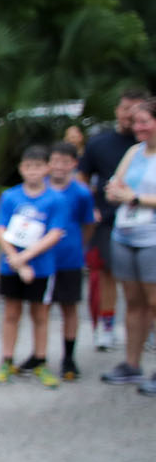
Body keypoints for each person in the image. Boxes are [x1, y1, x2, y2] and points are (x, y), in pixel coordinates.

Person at [0, 147, 67, 387]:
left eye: (38, 166)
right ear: (21, 169)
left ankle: (40, 360)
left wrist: (26, 258)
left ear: (47, 169)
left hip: (41, 267)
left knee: (40, 314)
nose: (33, 171)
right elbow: (0, 229)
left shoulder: (55, 199)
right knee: (11, 313)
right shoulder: (11, 197)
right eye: (28, 167)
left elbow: (55, 233)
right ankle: (7, 360)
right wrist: (15, 259)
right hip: (11, 265)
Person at [82, 90, 149, 352]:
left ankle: (147, 327)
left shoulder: (145, 148)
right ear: (117, 111)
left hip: (146, 221)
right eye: (125, 109)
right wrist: (89, 207)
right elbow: (83, 178)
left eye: (136, 111)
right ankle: (107, 326)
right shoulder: (100, 143)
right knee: (107, 274)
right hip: (109, 220)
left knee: (145, 283)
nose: (130, 116)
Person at [99, 94, 156, 392]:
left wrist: (134, 198)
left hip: (152, 239)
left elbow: (130, 194)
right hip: (125, 234)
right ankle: (132, 364)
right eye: (135, 122)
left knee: (155, 303)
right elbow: (115, 185)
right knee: (133, 302)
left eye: (144, 121)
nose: (138, 127)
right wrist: (113, 191)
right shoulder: (134, 152)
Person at [44, 142, 94, 381]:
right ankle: (39, 354)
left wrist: (79, 247)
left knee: (69, 307)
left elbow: (88, 224)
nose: (59, 167)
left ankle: (69, 356)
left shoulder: (82, 192)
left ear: (74, 164)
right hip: (42, 257)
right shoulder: (40, 188)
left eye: (66, 162)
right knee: (40, 308)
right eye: (55, 161)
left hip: (70, 257)